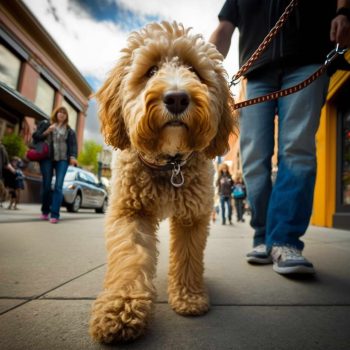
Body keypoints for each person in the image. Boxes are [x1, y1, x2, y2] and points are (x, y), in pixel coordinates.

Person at [210, 0, 350, 275]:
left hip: (309, 59)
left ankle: (285, 240)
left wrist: (344, 11)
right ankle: (263, 236)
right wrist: (201, 64)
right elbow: (224, 28)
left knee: (297, 150)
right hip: (256, 71)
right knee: (251, 159)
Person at [32, 106, 78, 223]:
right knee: (47, 186)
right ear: (56, 114)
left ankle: (55, 214)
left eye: (64, 113)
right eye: (59, 112)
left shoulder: (69, 131)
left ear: (66, 116)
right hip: (47, 158)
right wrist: (47, 131)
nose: (61, 114)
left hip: (62, 160)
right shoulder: (47, 124)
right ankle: (45, 211)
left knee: (58, 186)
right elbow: (35, 136)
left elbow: (73, 145)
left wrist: (73, 157)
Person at [0, 142, 15, 207]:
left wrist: (14, 171)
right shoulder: (2, 148)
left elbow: (6, 162)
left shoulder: (2, 148)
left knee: (2, 188)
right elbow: (7, 163)